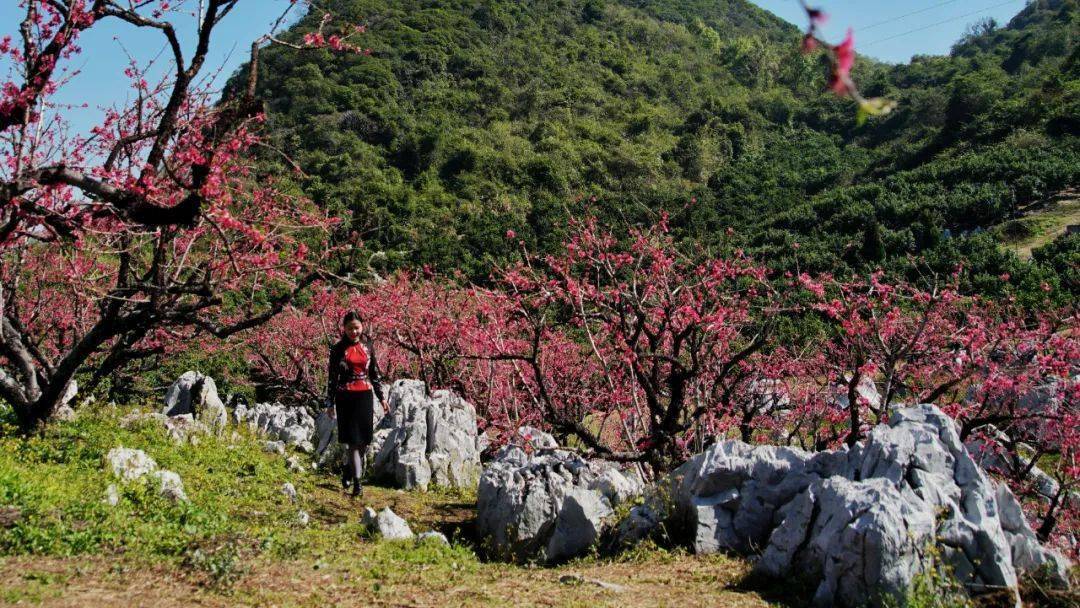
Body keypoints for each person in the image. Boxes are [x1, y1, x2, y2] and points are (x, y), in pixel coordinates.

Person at [325, 311, 384, 497]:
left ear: (362, 327)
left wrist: (381, 397)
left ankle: (348, 469)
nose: (354, 331)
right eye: (350, 328)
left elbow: (374, 373)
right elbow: (332, 378)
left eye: (357, 327)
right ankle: (358, 484)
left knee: (364, 441)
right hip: (345, 397)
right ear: (344, 328)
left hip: (365, 395)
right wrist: (329, 402)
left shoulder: (368, 347)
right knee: (352, 441)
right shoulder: (337, 350)